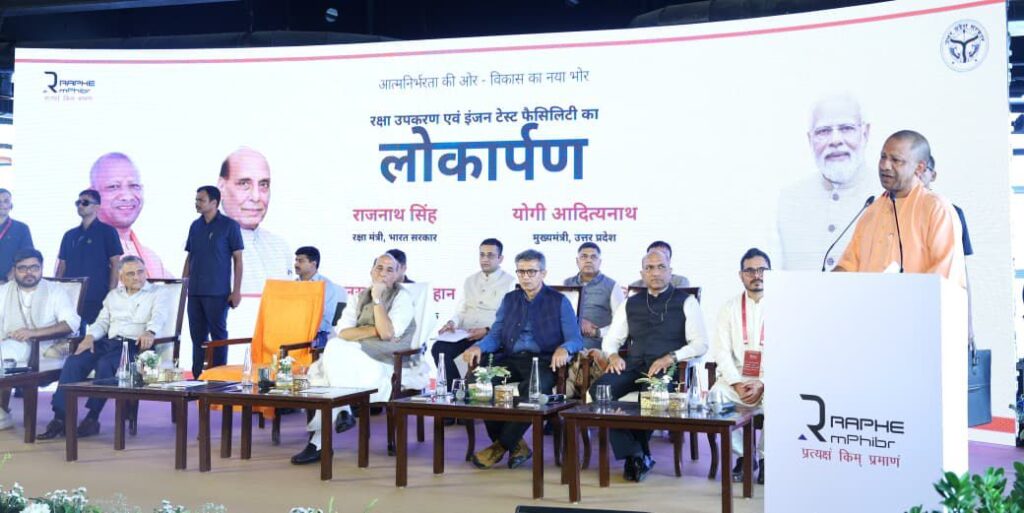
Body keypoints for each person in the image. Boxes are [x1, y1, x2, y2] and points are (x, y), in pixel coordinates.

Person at [592, 249, 708, 482]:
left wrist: (671, 357)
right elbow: (611, 339)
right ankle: (637, 453)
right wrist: (613, 355)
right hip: (633, 366)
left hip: (665, 369)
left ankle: (635, 458)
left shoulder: (686, 301)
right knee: (600, 391)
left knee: (650, 399)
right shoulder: (630, 303)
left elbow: (700, 344)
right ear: (642, 273)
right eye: (650, 268)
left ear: (670, 271)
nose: (655, 273)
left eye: (661, 267)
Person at [462, 249, 583, 470]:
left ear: (543, 273)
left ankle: (499, 447)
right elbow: (496, 335)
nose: (526, 277)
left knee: (532, 390)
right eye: (521, 272)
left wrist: (564, 348)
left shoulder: (559, 301)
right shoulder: (510, 299)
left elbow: (576, 339)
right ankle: (517, 445)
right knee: (478, 381)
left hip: (543, 362)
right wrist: (479, 346)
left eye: (532, 272)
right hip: (511, 358)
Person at [291, 253, 416, 465]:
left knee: (330, 361)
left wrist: (377, 300)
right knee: (333, 351)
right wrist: (373, 331)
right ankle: (341, 412)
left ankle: (320, 442)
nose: (383, 274)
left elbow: (387, 333)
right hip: (351, 360)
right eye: (379, 268)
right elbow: (343, 332)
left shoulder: (402, 298)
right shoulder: (357, 298)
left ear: (397, 275)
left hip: (382, 361)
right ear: (371, 271)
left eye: (390, 270)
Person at [37, 256, 167, 440]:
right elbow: (102, 322)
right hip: (109, 342)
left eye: (140, 272)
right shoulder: (113, 295)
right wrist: (89, 337)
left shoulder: (158, 293)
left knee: (105, 364)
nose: (137, 277)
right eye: (131, 274)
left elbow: (160, 315)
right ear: (121, 277)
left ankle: (92, 418)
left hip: (134, 345)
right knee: (74, 361)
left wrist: (150, 331)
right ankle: (60, 417)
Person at [833, 130, 966, 288]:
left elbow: (945, 276)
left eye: (896, 160)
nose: (885, 166)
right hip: (868, 302)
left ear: (919, 168)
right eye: (883, 157)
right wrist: (826, 284)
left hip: (919, 303)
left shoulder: (936, 209)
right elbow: (848, 266)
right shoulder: (871, 211)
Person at [777, 95, 879, 270]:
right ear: (810, 139)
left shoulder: (891, 194)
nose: (835, 140)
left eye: (846, 128)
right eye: (823, 131)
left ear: (865, 133)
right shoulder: (789, 200)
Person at [0, 249, 80, 431]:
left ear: (42, 268)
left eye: (34, 268)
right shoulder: (4, 291)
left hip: (45, 346)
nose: (28, 272)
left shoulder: (54, 290)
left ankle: (2, 412)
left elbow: (71, 323)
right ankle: (2, 412)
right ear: (14, 270)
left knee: (4, 354)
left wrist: (34, 333)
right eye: (22, 268)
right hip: (10, 343)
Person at [711, 248, 769, 485]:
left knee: (781, 399)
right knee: (715, 397)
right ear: (741, 275)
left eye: (762, 270)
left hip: (770, 380)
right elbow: (721, 351)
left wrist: (763, 383)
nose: (756, 275)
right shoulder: (729, 307)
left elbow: (792, 353)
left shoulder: (786, 305)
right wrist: (736, 382)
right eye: (750, 271)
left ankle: (767, 459)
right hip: (737, 378)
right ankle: (745, 457)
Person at [433, 238, 515, 384]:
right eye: (482, 255)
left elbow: (510, 318)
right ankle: (454, 389)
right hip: (466, 334)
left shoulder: (510, 282)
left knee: (480, 356)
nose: (485, 259)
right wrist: (452, 323)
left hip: (490, 336)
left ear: (500, 258)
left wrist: (487, 330)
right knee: (439, 348)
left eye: (490, 255)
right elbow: (461, 310)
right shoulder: (470, 280)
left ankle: (466, 389)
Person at [183, 185, 244, 379]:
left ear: (214, 203)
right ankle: (197, 376)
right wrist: (184, 285)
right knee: (197, 337)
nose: (197, 203)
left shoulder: (229, 225)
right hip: (195, 292)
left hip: (218, 292)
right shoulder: (195, 225)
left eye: (201, 200)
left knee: (218, 337)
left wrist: (236, 291)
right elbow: (190, 256)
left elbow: (238, 260)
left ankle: (218, 377)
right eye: (196, 200)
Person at [218, 148, 290, 294]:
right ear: (221, 187)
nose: (256, 197)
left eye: (263, 185)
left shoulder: (280, 248)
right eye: (244, 184)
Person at [90, 152, 172, 278]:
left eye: (134, 186)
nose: (127, 196)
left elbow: (177, 289)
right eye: (113, 187)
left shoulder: (152, 259)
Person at [56, 189, 123, 331]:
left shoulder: (108, 231)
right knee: (71, 334)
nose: (80, 205)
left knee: (96, 335)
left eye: (85, 202)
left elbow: (115, 264)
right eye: (78, 202)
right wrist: (57, 289)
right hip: (71, 295)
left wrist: (111, 294)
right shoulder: (70, 235)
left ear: (97, 207)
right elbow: (62, 265)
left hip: (97, 294)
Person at [293, 246, 347, 349]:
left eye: (301, 261)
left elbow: (327, 318)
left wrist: (306, 328)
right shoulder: (292, 285)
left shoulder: (326, 286)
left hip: (317, 334)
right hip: (293, 330)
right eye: (296, 260)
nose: (296, 264)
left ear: (313, 264)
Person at [0, 189, 34, 282]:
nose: (2, 204)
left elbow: (26, 257)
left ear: (11, 205)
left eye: (6, 201)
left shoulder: (21, 228)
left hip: (11, 283)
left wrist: (6, 280)